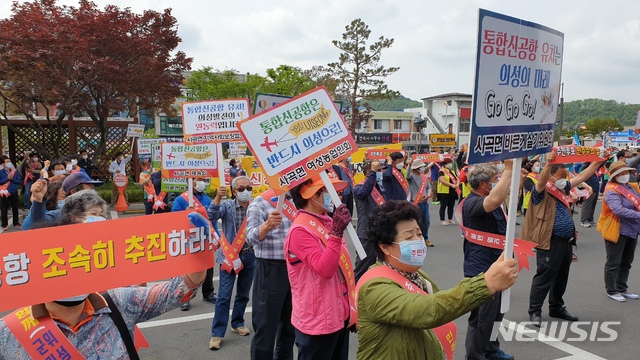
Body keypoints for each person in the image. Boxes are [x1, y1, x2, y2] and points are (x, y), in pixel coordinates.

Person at [0, 191, 207, 359]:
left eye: (79, 262)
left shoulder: (119, 303)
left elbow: (180, 290)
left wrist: (199, 250)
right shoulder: (9, 333)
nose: (72, 273)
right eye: (59, 265)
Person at [356, 200, 518, 360]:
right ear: (384, 246)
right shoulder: (374, 286)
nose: (418, 241)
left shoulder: (416, 275)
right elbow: (427, 310)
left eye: (419, 234)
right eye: (409, 237)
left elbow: (443, 305)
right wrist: (485, 283)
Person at [522, 151, 608, 327]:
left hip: (566, 242)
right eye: (562, 175)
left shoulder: (563, 188)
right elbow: (541, 181)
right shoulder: (540, 190)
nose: (566, 178)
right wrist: (548, 164)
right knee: (544, 277)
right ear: (552, 176)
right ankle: (535, 311)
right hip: (549, 241)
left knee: (562, 277)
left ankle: (556, 307)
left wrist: (598, 161)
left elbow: (584, 175)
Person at [286, 175, 352, 359]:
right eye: (326, 191)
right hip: (317, 320)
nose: (333, 195)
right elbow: (326, 270)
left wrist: (350, 308)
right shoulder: (300, 230)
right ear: (309, 194)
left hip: (338, 313)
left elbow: (343, 270)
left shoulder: (327, 221)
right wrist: (336, 234)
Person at [461, 161, 515, 360]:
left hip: (497, 267)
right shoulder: (473, 203)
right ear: (484, 184)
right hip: (481, 270)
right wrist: (508, 169)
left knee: (497, 315)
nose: (498, 182)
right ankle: (475, 356)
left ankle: (491, 349)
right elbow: (493, 201)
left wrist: (513, 174)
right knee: (481, 318)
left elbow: (502, 195)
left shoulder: (493, 200)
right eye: (495, 180)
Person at [246, 189, 296, 359]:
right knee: (265, 327)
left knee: (290, 327)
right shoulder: (260, 202)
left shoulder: (298, 200)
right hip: (270, 269)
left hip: (295, 270)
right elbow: (250, 238)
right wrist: (266, 225)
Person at [208, 176, 255, 350]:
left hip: (249, 255)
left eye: (248, 188)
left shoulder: (254, 206)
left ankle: (237, 322)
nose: (246, 191)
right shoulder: (227, 206)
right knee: (224, 296)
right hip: (229, 256)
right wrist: (218, 197)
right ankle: (217, 333)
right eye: (241, 189)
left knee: (243, 294)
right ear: (234, 191)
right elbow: (211, 215)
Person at [597, 161, 640, 302]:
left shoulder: (632, 187)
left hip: (632, 230)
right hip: (616, 229)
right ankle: (612, 290)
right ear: (614, 176)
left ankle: (622, 288)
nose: (624, 176)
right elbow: (618, 210)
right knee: (613, 262)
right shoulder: (612, 190)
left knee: (627, 261)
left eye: (625, 172)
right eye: (620, 173)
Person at [172, 178, 216, 310]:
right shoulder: (180, 200)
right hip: (188, 238)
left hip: (204, 237)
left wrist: (216, 236)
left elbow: (211, 218)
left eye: (203, 179)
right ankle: (185, 297)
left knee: (208, 266)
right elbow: (173, 218)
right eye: (199, 180)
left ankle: (208, 292)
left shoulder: (207, 199)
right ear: (191, 181)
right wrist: (185, 212)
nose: (202, 182)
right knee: (187, 269)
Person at [22, 172, 104, 230]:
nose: (94, 192)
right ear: (74, 192)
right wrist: (38, 201)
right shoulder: (58, 215)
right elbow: (36, 227)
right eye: (90, 189)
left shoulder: (99, 212)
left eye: (94, 189)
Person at [353, 160, 386, 282]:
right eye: (378, 170)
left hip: (378, 232)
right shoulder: (359, 187)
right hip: (366, 233)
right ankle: (353, 294)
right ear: (369, 172)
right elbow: (364, 192)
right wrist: (373, 172)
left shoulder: (379, 187)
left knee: (377, 267)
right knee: (363, 266)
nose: (381, 172)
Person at [406, 159, 434, 247]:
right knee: (416, 222)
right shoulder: (411, 177)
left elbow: (429, 187)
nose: (423, 168)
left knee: (426, 221)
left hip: (424, 202)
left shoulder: (424, 177)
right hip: (415, 202)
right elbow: (407, 175)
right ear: (417, 168)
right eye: (421, 167)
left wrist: (428, 195)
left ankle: (425, 238)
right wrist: (409, 165)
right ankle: (415, 239)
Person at [0, 156, 22, 231]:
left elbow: (19, 181)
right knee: (4, 208)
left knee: (15, 208)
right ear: (3, 164)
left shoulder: (14, 172)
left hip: (13, 191)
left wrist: (12, 179)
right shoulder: (1, 172)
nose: (9, 163)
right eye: (7, 162)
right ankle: (4, 224)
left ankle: (16, 223)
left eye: (9, 161)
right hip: (4, 192)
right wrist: (7, 178)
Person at [437, 157, 459, 225]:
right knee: (443, 206)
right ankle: (442, 220)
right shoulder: (442, 171)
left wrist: (457, 184)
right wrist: (451, 185)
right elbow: (442, 180)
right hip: (444, 191)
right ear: (445, 164)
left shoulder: (452, 171)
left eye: (451, 163)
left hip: (452, 191)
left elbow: (457, 178)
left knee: (451, 206)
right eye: (449, 163)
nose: (451, 165)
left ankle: (450, 219)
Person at [579, 162, 601, 228]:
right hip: (589, 188)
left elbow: (601, 163)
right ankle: (584, 220)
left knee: (593, 205)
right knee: (587, 204)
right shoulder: (586, 167)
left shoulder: (595, 166)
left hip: (595, 188)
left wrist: (606, 157)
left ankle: (590, 219)